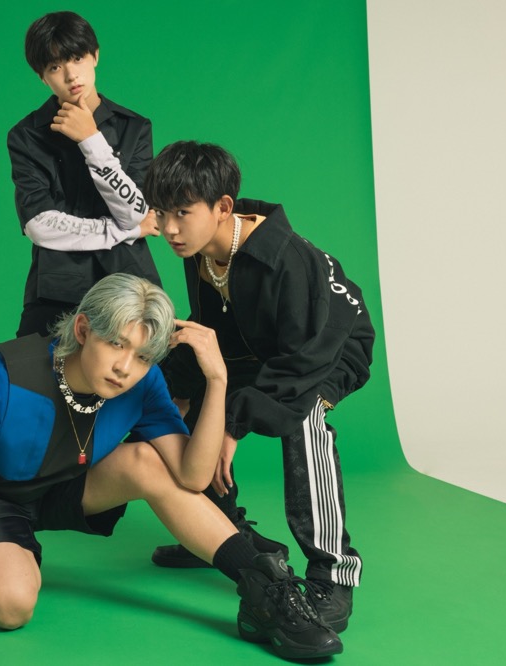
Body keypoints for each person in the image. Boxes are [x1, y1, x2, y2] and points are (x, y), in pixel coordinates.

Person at [0, 274, 343, 663]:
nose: (125, 367)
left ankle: (266, 590)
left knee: (148, 461)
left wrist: (217, 380)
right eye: (115, 345)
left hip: (67, 486)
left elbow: (193, 477)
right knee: (11, 607)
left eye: (142, 356)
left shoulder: (143, 383)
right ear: (82, 330)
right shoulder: (6, 375)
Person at [142, 141, 375, 634]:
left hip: (327, 350)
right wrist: (185, 389)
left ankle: (334, 571)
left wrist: (233, 425)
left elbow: (300, 363)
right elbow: (215, 329)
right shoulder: (201, 247)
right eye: (161, 213)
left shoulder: (287, 261)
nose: (169, 229)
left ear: (222, 207)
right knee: (178, 395)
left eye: (182, 213)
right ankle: (219, 531)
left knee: (302, 419)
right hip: (257, 344)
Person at [9, 11, 162, 337]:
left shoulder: (134, 127)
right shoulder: (26, 135)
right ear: (42, 77)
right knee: (30, 365)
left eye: (77, 58)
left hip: (129, 282)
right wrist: (125, 232)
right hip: (56, 285)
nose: (70, 75)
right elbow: (39, 225)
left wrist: (91, 140)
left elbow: (136, 212)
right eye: (54, 67)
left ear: (95, 56)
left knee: (144, 366)